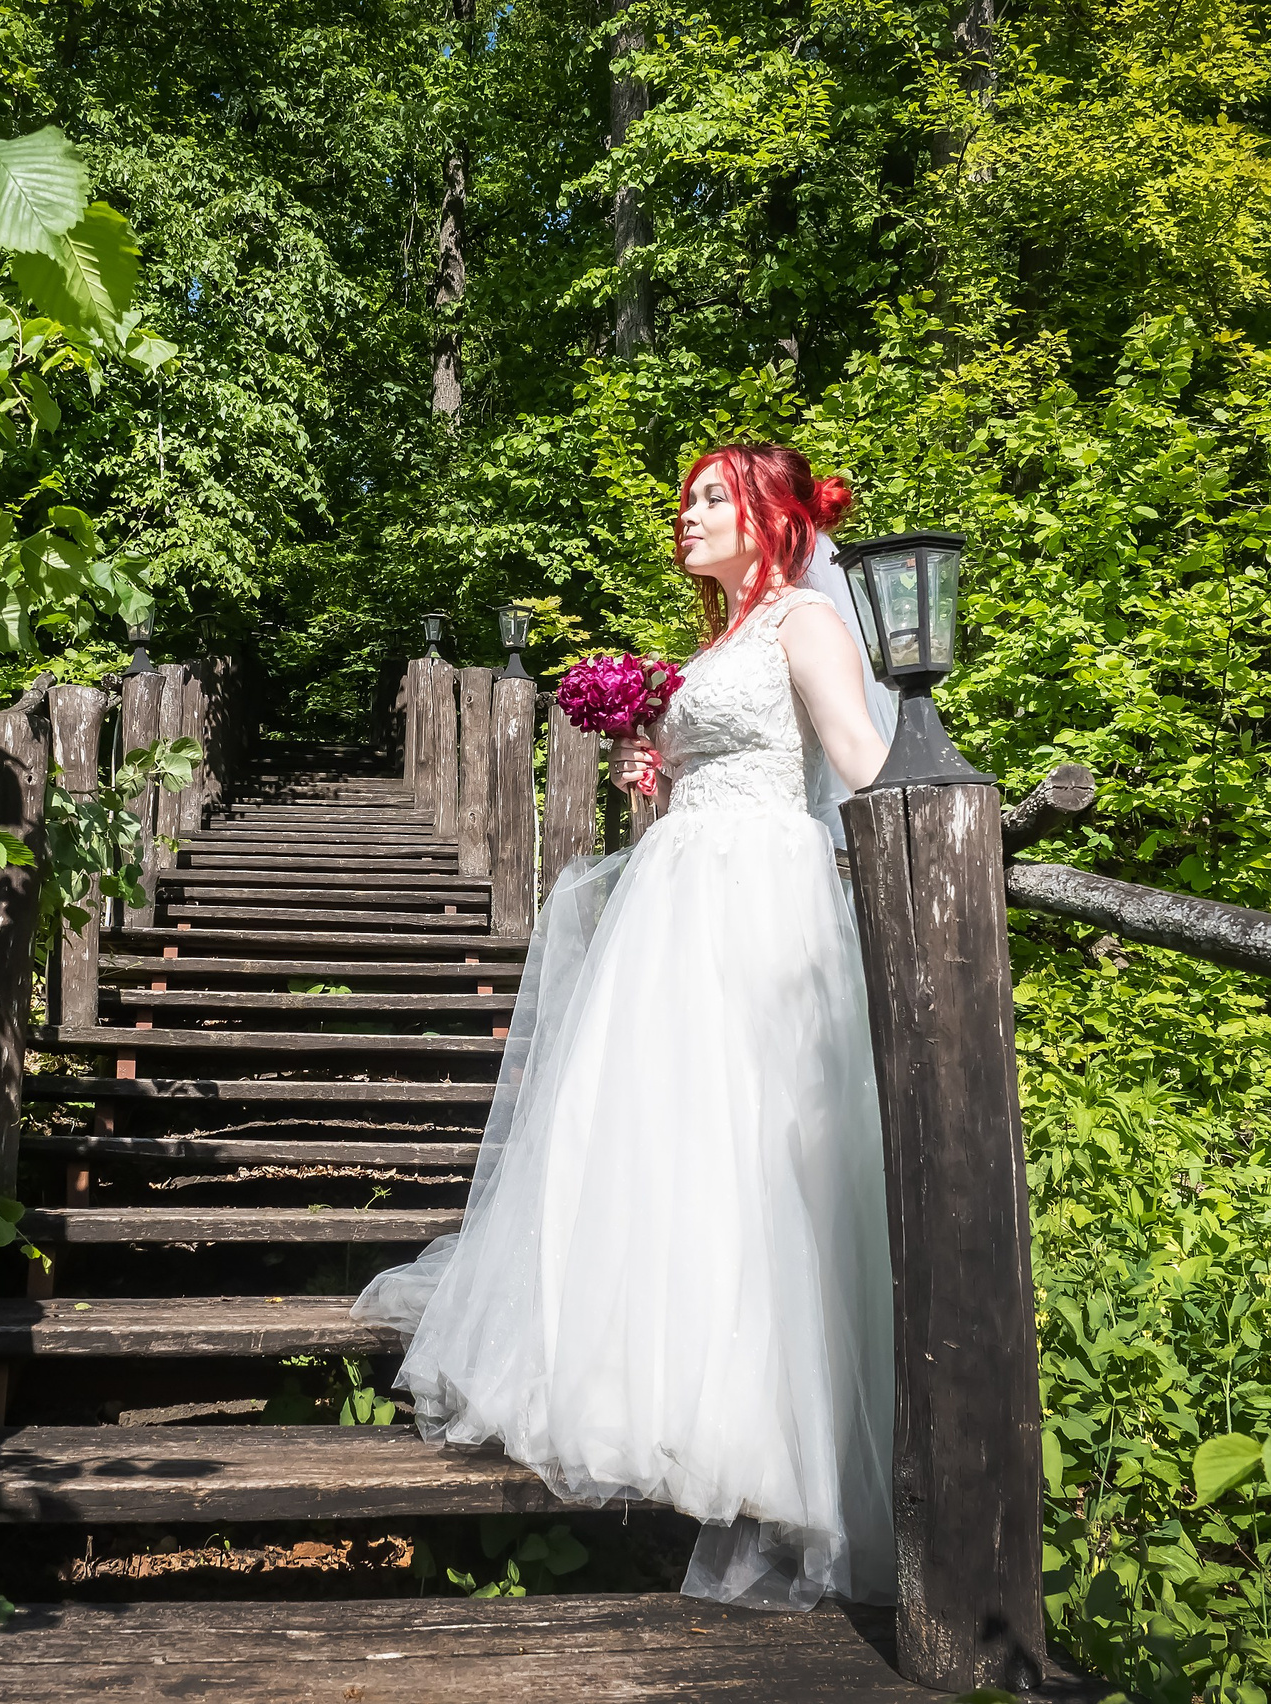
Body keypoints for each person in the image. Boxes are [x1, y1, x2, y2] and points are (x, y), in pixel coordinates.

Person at [354, 442, 901, 1611]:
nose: (687, 515)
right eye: (685, 497)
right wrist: (659, 766)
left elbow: (857, 761)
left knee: (757, 1147)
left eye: (710, 498)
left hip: (758, 900)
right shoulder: (716, 642)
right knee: (664, 1145)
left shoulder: (803, 620)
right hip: (681, 892)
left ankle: (761, 1444)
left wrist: (939, 783)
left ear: (769, 517)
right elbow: (727, 754)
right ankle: (660, 1394)